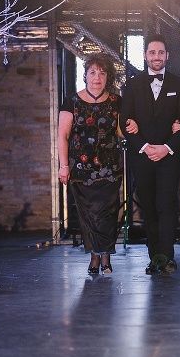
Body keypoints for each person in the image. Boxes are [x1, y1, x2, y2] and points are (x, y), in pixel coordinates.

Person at [120, 34, 180, 274]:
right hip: (142, 156)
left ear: (167, 55)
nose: (157, 57)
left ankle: (167, 257)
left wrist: (165, 147)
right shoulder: (132, 85)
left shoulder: (179, 84)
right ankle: (155, 259)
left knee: (166, 204)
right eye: (152, 52)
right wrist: (145, 146)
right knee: (149, 207)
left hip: (169, 156)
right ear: (145, 56)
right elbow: (124, 121)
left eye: (161, 52)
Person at [58, 53, 133, 274]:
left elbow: (121, 132)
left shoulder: (117, 101)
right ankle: (94, 258)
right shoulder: (71, 101)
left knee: (107, 214)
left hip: (110, 169)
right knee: (89, 215)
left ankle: (106, 257)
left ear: (107, 76)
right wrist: (63, 166)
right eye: (92, 73)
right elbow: (62, 136)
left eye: (102, 73)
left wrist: (132, 126)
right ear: (85, 75)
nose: (97, 78)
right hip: (81, 169)